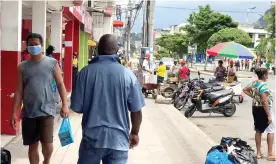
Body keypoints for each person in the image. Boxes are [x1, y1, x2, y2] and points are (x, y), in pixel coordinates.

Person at [70, 34, 144, 164]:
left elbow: (77, 107)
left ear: (98, 50)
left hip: (91, 139)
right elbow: (136, 110)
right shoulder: (128, 75)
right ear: (116, 51)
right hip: (118, 140)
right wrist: (134, 133)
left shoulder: (85, 73)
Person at [10, 33, 70, 164]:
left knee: (47, 144)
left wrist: (65, 105)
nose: (33, 47)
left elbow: (60, 84)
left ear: (41, 46)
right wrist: (14, 113)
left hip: (47, 110)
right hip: (29, 112)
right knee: (32, 145)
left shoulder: (52, 63)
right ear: (27, 46)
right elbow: (19, 90)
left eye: (36, 44)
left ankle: (46, 161)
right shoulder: (22, 67)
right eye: (30, 45)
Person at [243, 68, 275, 161]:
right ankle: (269, 154)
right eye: (267, 74)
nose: (268, 75)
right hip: (264, 110)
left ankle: (258, 153)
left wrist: (254, 97)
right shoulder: (263, 86)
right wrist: (269, 115)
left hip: (255, 108)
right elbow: (265, 101)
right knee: (271, 130)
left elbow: (245, 89)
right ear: (264, 75)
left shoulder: (255, 83)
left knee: (258, 130)